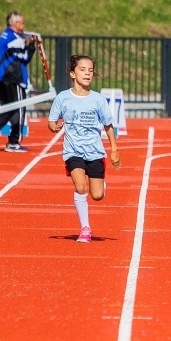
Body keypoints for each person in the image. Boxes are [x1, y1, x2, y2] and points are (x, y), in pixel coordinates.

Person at [48, 55, 121, 243]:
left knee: (97, 195)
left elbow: (108, 125)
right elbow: (51, 121)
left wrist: (114, 149)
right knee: (80, 187)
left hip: (95, 152)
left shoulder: (98, 100)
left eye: (90, 70)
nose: (87, 73)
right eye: (83, 69)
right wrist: (53, 126)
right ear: (73, 73)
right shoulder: (62, 98)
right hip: (73, 151)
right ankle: (85, 229)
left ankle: (101, 184)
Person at [0, 12, 36, 152]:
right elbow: (25, 57)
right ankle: (10, 139)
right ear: (15, 24)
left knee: (8, 107)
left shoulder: (5, 35)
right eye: (22, 23)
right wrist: (32, 45)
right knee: (18, 107)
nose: (23, 26)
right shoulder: (14, 39)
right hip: (13, 77)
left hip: (3, 76)